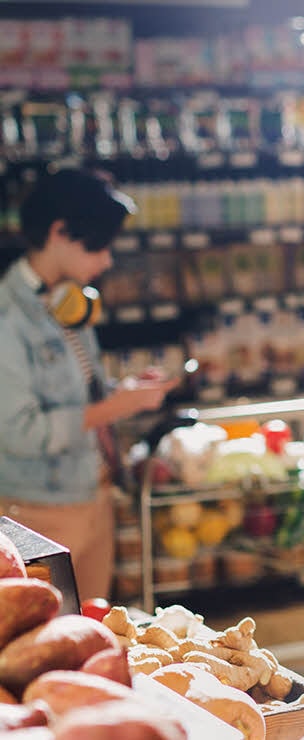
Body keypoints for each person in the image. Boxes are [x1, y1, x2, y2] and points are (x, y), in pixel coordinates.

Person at [0, 169, 177, 601]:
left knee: (95, 625)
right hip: (38, 511)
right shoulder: (9, 315)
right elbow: (19, 430)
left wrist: (122, 392)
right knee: (52, 640)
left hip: (94, 494)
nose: (106, 260)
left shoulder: (67, 298)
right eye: (98, 245)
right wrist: (117, 407)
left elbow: (76, 392)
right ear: (59, 233)